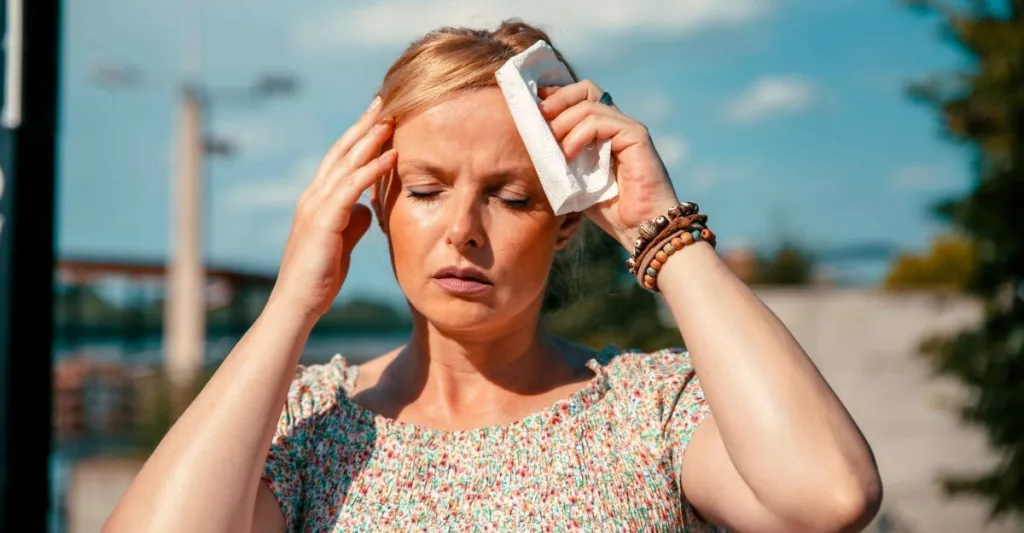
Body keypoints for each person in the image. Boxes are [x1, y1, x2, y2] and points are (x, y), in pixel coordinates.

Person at [104, 20, 882, 532]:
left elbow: (830, 496)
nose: (464, 229)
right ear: (376, 199)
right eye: (427, 189)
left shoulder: (647, 411)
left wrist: (663, 228)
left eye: (510, 196)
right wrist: (291, 303)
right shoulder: (309, 425)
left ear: (568, 217)